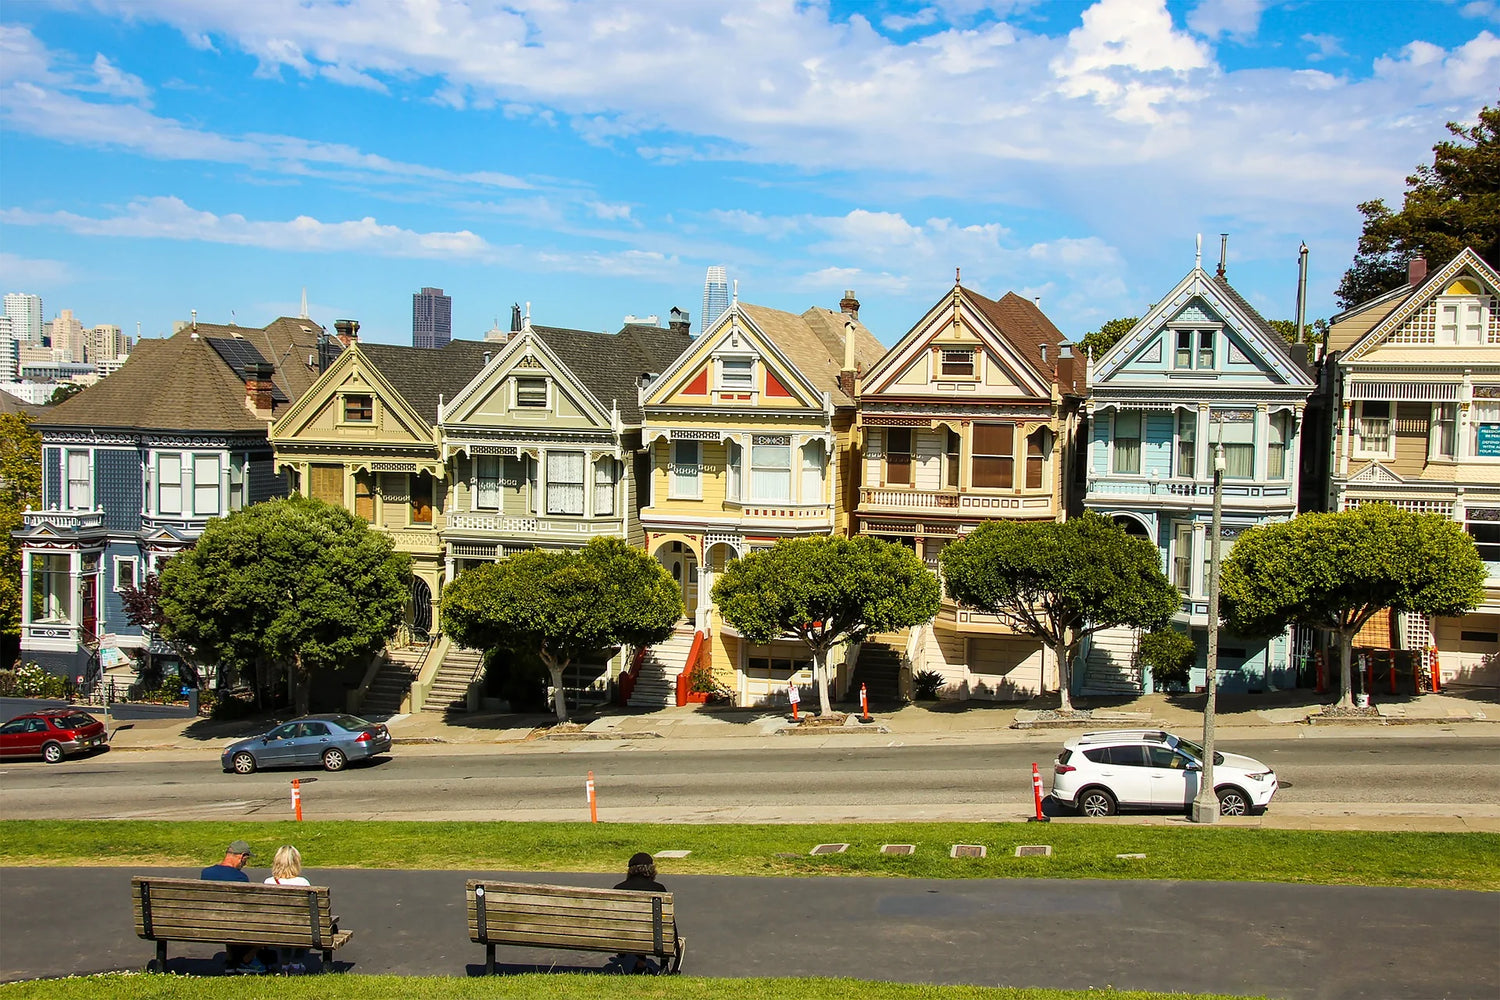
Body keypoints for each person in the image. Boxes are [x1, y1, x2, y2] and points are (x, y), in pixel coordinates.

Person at [201, 839, 265, 974]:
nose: (245, 864)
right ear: (242, 856)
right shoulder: (240, 878)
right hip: (233, 924)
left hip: (207, 923)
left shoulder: (206, 873)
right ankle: (247, 960)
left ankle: (231, 959)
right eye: (246, 860)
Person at [610, 852, 666, 974]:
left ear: (630, 870)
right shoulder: (659, 889)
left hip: (624, 937)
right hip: (655, 939)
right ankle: (662, 965)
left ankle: (641, 963)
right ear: (651, 870)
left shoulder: (618, 889)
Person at [264, 846, 312, 974]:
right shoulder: (303, 882)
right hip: (298, 927)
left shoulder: (268, 882)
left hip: (276, 926)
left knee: (282, 923)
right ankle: (296, 962)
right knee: (304, 924)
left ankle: (285, 962)